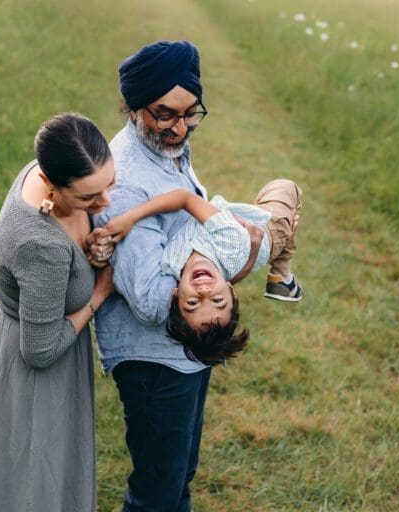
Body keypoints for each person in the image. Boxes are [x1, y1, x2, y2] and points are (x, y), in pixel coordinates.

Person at [91, 40, 261, 512]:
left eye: (190, 113)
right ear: (133, 107)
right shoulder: (125, 180)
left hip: (185, 352)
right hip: (154, 364)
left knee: (178, 474)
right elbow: (147, 298)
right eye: (164, 114)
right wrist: (226, 270)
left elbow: (188, 233)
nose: (179, 127)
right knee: (157, 494)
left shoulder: (167, 150)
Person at [0, 113, 115, 511]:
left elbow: (79, 222)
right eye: (89, 198)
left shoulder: (48, 167)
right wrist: (98, 294)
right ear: (51, 186)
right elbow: (39, 350)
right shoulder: (39, 245)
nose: (104, 202)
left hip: (43, 344)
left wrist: (90, 240)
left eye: (109, 184)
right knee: (32, 480)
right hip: (36, 373)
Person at [98, 178, 303, 365]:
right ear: (230, 291)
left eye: (193, 303)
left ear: (175, 294)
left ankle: (280, 270)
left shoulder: (172, 263)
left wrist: (128, 219)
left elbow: (184, 199)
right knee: (285, 188)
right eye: (218, 301)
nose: (205, 291)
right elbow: (185, 199)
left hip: (246, 239)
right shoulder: (231, 244)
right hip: (270, 230)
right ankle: (282, 270)